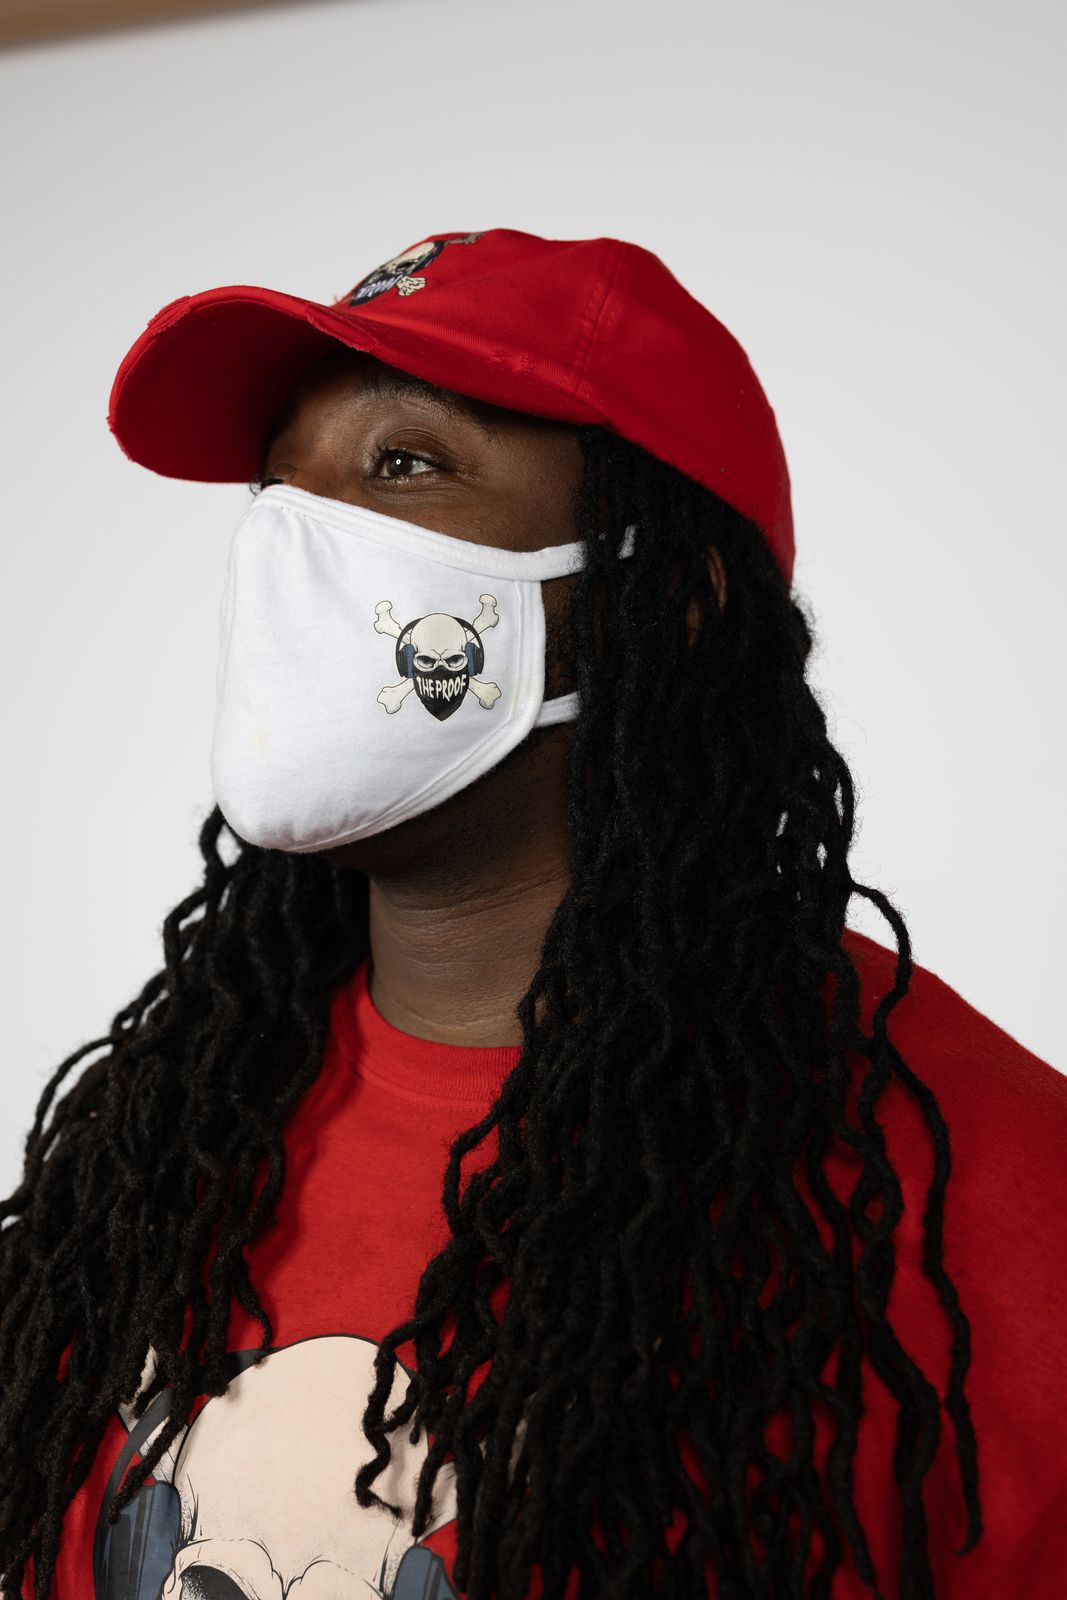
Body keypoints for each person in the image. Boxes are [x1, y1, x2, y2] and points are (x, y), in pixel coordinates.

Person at [0, 228, 1063, 1600]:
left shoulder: (999, 1205)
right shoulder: (155, 1147)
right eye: (279, 482)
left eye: (404, 465)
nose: (291, 543)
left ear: (664, 597)